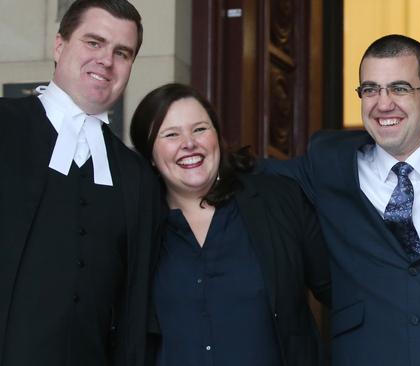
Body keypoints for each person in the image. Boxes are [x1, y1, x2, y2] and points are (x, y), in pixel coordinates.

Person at [259, 34, 420, 365]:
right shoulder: (330, 161)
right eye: (370, 89)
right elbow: (257, 177)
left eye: (399, 88)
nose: (383, 103)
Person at [0, 1, 161, 366]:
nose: (106, 60)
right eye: (94, 42)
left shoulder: (137, 177)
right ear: (59, 46)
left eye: (122, 52)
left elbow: (135, 309)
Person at [129, 83, 331, 366]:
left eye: (200, 129)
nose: (189, 143)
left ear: (217, 137)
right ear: (150, 155)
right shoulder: (136, 227)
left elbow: (342, 293)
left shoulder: (278, 200)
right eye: (171, 134)